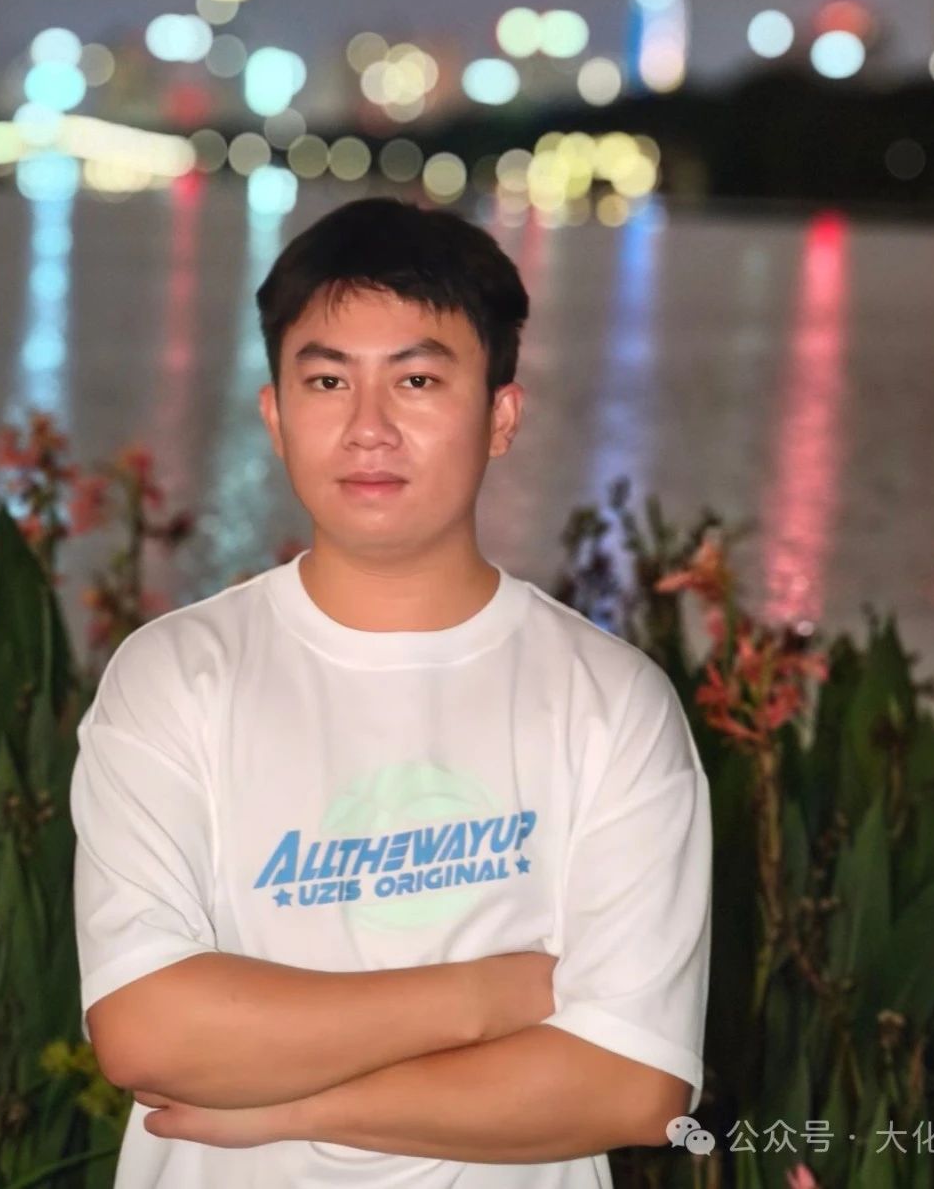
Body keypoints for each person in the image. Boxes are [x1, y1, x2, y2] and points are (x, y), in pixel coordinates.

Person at [69, 195, 713, 1188]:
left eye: (417, 380)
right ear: (275, 415)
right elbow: (148, 1029)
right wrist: (494, 996)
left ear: (500, 415)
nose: (368, 428)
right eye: (327, 380)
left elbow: (630, 1085)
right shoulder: (174, 677)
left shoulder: (610, 703)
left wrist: (295, 1106)